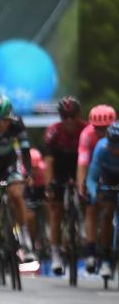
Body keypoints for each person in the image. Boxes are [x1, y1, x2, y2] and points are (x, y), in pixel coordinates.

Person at [43, 96, 88, 275]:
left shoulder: (86, 130)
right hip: (60, 166)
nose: (69, 120)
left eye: (73, 116)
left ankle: (84, 222)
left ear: (79, 115)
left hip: (80, 164)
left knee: (87, 194)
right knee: (56, 211)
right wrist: (49, 186)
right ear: (60, 117)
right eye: (65, 116)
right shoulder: (53, 132)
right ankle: (55, 253)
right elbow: (48, 161)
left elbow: (89, 160)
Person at [0, 94, 33, 260]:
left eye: (5, 120)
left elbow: (25, 149)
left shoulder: (17, 124)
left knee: (16, 194)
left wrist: (28, 172)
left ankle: (24, 236)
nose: (1, 124)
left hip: (9, 163)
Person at [78, 105, 116, 276]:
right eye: (97, 128)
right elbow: (86, 168)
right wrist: (87, 191)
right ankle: (95, 253)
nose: (100, 131)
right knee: (98, 209)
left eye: (104, 128)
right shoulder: (98, 144)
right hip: (103, 173)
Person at [86, 121, 119, 277]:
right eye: (114, 145)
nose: (116, 149)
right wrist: (93, 194)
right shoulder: (101, 148)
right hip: (107, 181)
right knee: (106, 214)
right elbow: (91, 178)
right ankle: (106, 258)